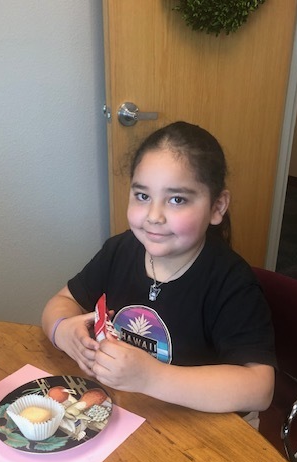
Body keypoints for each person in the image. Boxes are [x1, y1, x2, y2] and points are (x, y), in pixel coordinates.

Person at [42, 121, 275, 414]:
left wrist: (151, 377)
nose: (153, 216)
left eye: (176, 200)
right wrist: (64, 331)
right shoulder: (120, 250)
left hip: (200, 426)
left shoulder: (231, 282)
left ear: (217, 207)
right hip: (131, 411)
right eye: (142, 196)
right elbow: (61, 302)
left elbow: (259, 389)